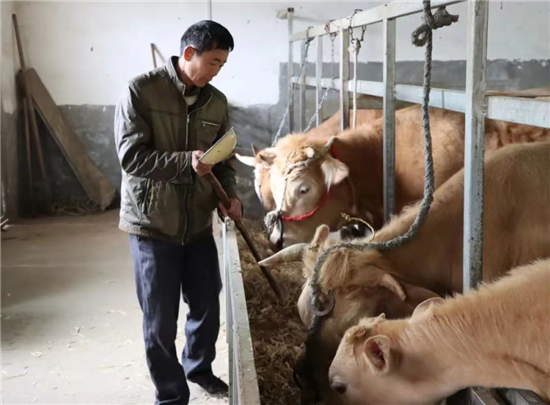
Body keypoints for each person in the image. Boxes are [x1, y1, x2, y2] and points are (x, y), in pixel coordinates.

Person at [114, 20, 241, 405]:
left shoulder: (215, 102)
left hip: (198, 223)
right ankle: (171, 396)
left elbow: (224, 160)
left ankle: (198, 368)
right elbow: (131, 157)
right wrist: (185, 163)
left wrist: (230, 196)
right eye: (214, 61)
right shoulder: (141, 91)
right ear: (189, 54)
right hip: (154, 225)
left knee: (206, 304)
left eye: (222, 64)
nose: (217, 70)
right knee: (159, 321)